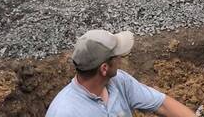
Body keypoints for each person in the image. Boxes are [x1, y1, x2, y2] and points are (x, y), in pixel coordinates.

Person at [46, 29, 195, 117]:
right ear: (104, 68)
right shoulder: (65, 112)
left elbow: (163, 105)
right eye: (118, 56)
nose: (121, 60)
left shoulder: (118, 81)